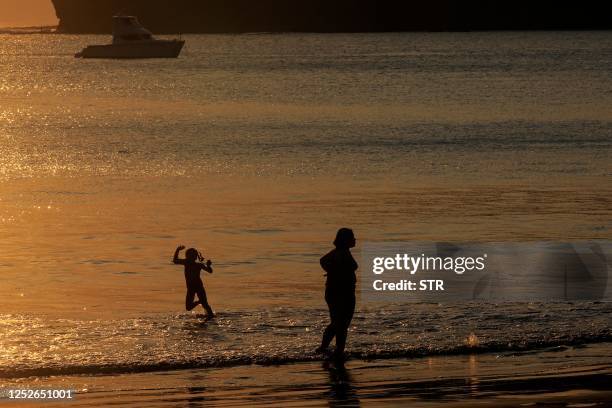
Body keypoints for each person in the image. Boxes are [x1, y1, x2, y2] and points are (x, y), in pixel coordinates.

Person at [316, 228, 358, 363]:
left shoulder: (341, 252)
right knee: (341, 324)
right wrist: (334, 271)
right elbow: (323, 261)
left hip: (336, 292)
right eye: (352, 237)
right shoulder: (342, 253)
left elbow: (323, 260)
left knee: (338, 323)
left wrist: (332, 271)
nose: (354, 239)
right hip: (341, 294)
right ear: (345, 240)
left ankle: (327, 349)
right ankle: (337, 351)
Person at [173, 245, 214, 317]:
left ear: (194, 257)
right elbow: (175, 261)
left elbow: (175, 260)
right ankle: (205, 308)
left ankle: (210, 315)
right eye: (189, 256)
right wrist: (208, 265)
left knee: (203, 305)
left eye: (192, 256)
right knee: (191, 307)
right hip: (193, 287)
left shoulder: (192, 264)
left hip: (196, 286)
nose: (190, 257)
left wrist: (208, 265)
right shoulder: (188, 263)